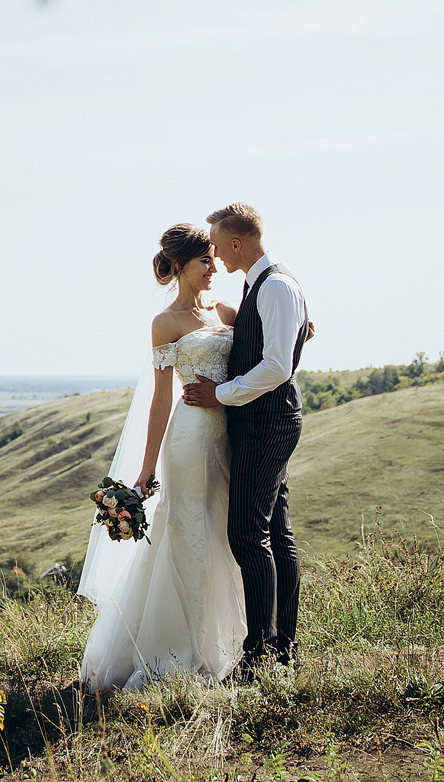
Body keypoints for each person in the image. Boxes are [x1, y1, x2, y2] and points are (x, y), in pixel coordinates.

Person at [75, 224, 247, 690]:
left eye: (214, 259)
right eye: (205, 261)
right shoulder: (166, 322)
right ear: (180, 267)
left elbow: (266, 344)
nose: (214, 268)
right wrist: (147, 468)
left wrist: (300, 335)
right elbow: (159, 400)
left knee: (225, 531)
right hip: (189, 441)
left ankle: (227, 642)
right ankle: (180, 647)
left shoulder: (227, 311)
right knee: (190, 530)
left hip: (228, 437)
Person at [180, 202, 311, 672]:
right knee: (275, 531)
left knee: (247, 534)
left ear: (236, 243)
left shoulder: (274, 285)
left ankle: (260, 652)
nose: (213, 253)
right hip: (263, 419)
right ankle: (281, 651)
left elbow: (277, 367)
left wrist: (222, 394)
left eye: (216, 244)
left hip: (266, 421)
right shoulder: (263, 285)